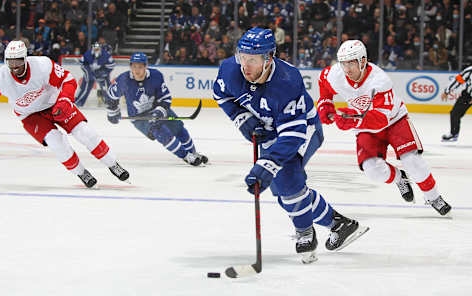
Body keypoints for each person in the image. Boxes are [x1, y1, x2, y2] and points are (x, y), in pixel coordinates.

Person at [212, 28, 368, 264]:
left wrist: (266, 165)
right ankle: (340, 224)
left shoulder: (287, 82)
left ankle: (306, 233)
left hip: (304, 129)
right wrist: (242, 118)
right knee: (283, 194)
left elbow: (292, 136)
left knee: (287, 179)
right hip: (271, 131)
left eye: (252, 60)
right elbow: (221, 95)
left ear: (268, 59)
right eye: (242, 57)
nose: (245, 65)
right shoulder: (230, 69)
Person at [317, 40, 451, 216]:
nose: (347, 69)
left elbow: (380, 119)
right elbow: (323, 83)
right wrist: (325, 104)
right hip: (365, 126)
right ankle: (399, 177)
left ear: (363, 61)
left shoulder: (380, 81)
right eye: (343, 63)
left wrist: (352, 118)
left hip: (395, 120)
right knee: (372, 171)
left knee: (413, 162)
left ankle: (433, 197)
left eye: (351, 63)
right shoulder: (335, 74)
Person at [0, 40, 129, 188]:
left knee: (85, 132)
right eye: (10, 63)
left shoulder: (42, 65)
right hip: (31, 116)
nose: (15, 67)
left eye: (18, 61)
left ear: (25, 58)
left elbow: (68, 80)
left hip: (56, 103)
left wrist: (64, 100)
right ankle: (81, 172)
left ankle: (112, 164)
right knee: (56, 142)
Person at [106, 52, 208, 166]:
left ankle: (193, 152)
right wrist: (112, 112)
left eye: (140, 67)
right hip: (140, 117)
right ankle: (186, 156)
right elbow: (111, 95)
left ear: (146, 66)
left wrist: (159, 111)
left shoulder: (156, 76)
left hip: (158, 109)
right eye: (134, 66)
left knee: (178, 128)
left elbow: (165, 98)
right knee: (160, 131)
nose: (137, 70)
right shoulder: (123, 80)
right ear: (130, 67)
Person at [75, 42, 115, 107]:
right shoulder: (87, 54)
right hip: (90, 71)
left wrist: (104, 73)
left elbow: (111, 65)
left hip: (101, 72)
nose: (96, 51)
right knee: (85, 86)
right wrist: (88, 73)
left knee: (106, 87)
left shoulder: (105, 55)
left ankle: (111, 102)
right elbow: (82, 64)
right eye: (95, 49)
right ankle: (78, 102)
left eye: (98, 49)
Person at [440, 65, 472, 142]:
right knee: (455, 113)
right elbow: (457, 81)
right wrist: (447, 91)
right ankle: (453, 134)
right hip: (468, 96)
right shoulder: (470, 70)